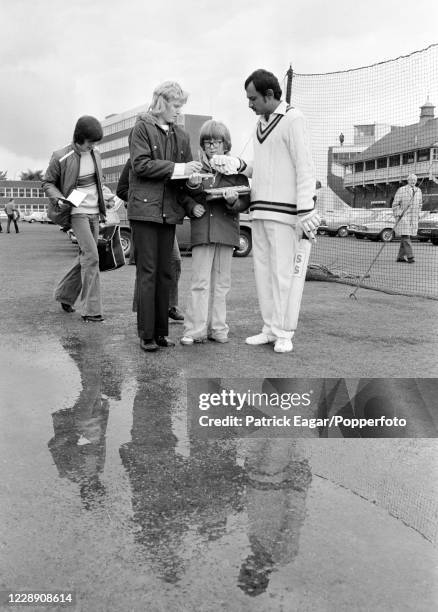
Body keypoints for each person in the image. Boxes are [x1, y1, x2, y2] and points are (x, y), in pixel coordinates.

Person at [210, 69, 319, 353]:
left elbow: (304, 166)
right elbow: (264, 168)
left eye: (253, 98)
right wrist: (238, 166)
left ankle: (285, 332)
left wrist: (305, 211)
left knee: (284, 275)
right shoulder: (261, 124)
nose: (250, 104)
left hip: (286, 214)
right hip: (260, 212)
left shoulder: (293, 119)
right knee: (264, 274)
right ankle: (270, 329)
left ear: (270, 95)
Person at [127, 81, 202, 352]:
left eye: (182, 106)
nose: (179, 111)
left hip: (168, 212)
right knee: (148, 272)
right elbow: (141, 165)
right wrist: (179, 168)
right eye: (176, 105)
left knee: (165, 273)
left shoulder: (181, 136)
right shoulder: (141, 129)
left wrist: (193, 181)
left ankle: (160, 333)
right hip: (145, 212)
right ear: (161, 103)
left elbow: (184, 178)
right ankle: (146, 334)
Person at [180, 120, 250, 345]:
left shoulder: (237, 172)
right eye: (207, 142)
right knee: (199, 283)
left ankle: (219, 329)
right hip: (202, 232)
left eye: (216, 142)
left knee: (222, 284)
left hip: (227, 232)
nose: (211, 147)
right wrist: (192, 204)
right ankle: (194, 330)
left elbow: (245, 201)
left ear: (225, 145)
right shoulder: (195, 169)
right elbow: (183, 196)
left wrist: (233, 201)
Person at [42, 115, 107, 322]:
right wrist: (59, 199)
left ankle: (65, 296)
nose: (93, 146)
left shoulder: (96, 154)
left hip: (95, 211)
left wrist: (108, 197)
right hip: (76, 212)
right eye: (90, 142)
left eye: (96, 142)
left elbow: (99, 182)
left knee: (86, 257)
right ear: (79, 138)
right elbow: (47, 183)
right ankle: (91, 310)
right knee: (92, 257)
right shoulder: (60, 156)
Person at [117, 158, 184, 320]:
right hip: (144, 218)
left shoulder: (169, 161)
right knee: (146, 266)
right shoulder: (135, 161)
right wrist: (138, 199)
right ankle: (142, 307)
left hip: (164, 218)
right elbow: (121, 190)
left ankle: (169, 305)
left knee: (174, 261)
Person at [392, 173, 422, 263]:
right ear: (408, 180)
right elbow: (395, 204)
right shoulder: (401, 190)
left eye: (414, 180)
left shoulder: (418, 190)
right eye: (411, 180)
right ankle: (410, 257)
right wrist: (399, 214)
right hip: (404, 217)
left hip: (413, 217)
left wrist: (418, 214)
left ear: (416, 181)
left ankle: (400, 257)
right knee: (406, 236)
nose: (413, 181)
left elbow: (420, 204)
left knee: (406, 236)